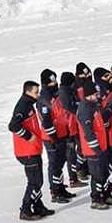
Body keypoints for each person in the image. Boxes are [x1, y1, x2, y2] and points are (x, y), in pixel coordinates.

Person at [9, 81, 55, 221]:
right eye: (36, 92)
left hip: (33, 149)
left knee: (36, 180)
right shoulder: (23, 106)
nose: (39, 94)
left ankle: (38, 205)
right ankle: (26, 208)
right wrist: (28, 136)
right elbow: (13, 125)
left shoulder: (28, 104)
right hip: (27, 151)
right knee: (35, 182)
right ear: (28, 92)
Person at [77, 80, 112, 209]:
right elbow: (88, 132)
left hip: (102, 145)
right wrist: (96, 149)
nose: (98, 96)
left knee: (104, 173)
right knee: (97, 175)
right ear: (89, 95)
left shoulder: (93, 105)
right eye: (96, 94)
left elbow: (98, 122)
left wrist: (105, 125)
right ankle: (96, 198)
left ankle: (106, 194)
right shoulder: (85, 109)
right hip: (93, 149)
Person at [37, 69, 76, 203]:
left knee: (60, 162)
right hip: (52, 138)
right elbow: (46, 121)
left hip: (61, 133)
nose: (55, 82)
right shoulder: (44, 99)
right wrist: (54, 137)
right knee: (54, 164)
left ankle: (60, 188)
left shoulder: (55, 95)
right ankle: (55, 191)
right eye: (52, 80)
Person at [58, 72, 88, 187]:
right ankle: (73, 178)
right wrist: (80, 108)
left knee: (75, 151)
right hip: (68, 128)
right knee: (70, 154)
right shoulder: (64, 94)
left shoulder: (67, 92)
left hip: (72, 126)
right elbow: (70, 109)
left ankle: (76, 174)